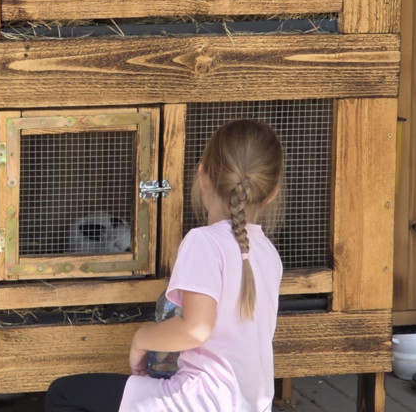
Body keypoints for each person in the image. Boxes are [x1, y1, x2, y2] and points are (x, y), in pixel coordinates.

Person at [45, 119, 285, 412]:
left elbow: (196, 328)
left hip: (198, 402)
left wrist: (141, 339)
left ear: (203, 175)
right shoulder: (269, 254)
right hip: (253, 405)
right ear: (272, 191)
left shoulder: (203, 242)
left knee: (63, 395)